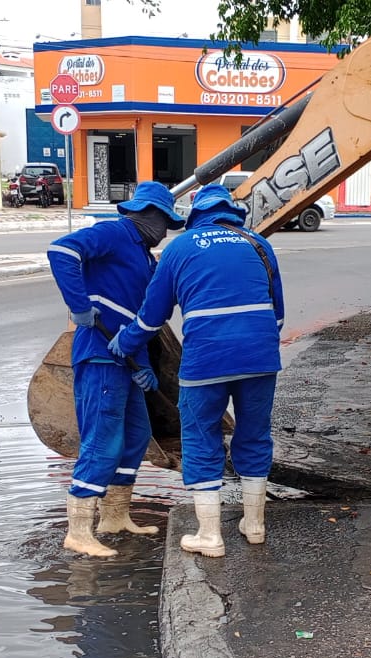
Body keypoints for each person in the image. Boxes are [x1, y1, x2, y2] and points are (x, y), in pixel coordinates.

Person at [109, 183, 283, 558]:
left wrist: (125, 343)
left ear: (194, 215)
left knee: (201, 437)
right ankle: (254, 526)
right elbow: (279, 314)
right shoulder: (258, 244)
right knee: (254, 435)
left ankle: (210, 536)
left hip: (207, 359)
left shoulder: (180, 249)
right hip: (260, 357)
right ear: (232, 212)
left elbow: (153, 317)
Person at [46, 181, 185, 557]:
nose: (165, 232)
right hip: (100, 357)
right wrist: (79, 305)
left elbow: (136, 322)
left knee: (137, 437)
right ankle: (78, 531)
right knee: (102, 441)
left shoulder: (146, 257)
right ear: (148, 216)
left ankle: (114, 515)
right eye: (165, 223)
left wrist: (141, 366)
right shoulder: (114, 232)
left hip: (124, 362)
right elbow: (61, 251)